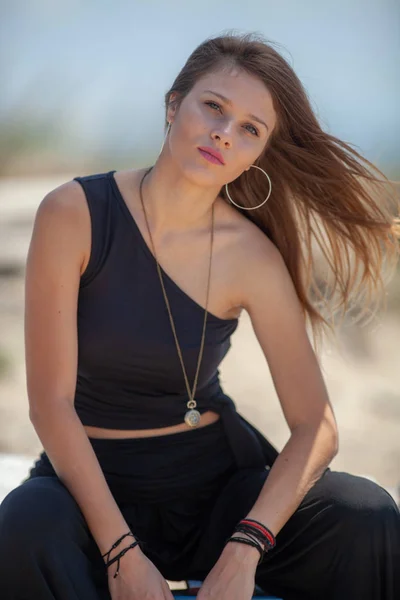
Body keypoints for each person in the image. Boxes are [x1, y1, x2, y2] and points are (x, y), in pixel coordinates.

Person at [0, 31, 399, 600]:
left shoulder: (251, 256)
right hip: (88, 477)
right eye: (214, 106)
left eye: (250, 130)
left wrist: (246, 548)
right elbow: (49, 404)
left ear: (258, 154)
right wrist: (121, 553)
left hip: (213, 483)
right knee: (23, 527)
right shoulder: (75, 213)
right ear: (172, 104)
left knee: (367, 515)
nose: (223, 133)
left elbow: (317, 426)